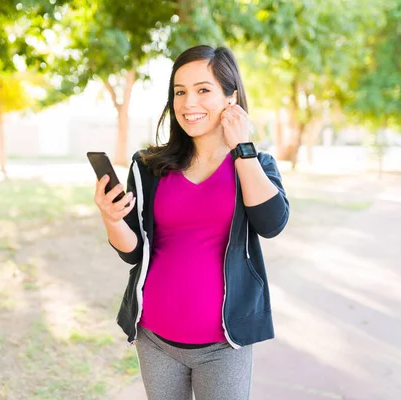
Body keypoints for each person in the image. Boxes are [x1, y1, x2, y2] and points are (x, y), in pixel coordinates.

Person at [93, 45, 289, 400]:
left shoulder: (255, 164)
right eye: (179, 92)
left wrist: (242, 147)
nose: (188, 103)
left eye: (203, 90)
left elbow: (271, 223)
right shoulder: (149, 165)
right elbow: (133, 251)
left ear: (231, 96)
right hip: (155, 338)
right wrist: (111, 218)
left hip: (224, 344)